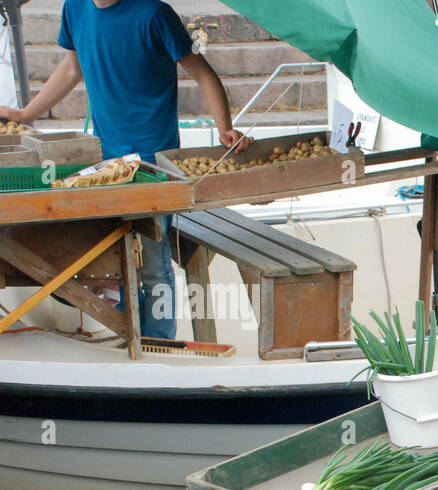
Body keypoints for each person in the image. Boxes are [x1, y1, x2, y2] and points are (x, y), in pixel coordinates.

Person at [0, 0, 251, 338]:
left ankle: (157, 346)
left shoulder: (154, 14)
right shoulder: (75, 8)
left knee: (154, 265)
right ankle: (126, 336)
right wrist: (25, 115)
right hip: (103, 160)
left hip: (152, 165)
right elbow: (72, 68)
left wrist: (225, 128)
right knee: (111, 258)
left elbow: (203, 73)